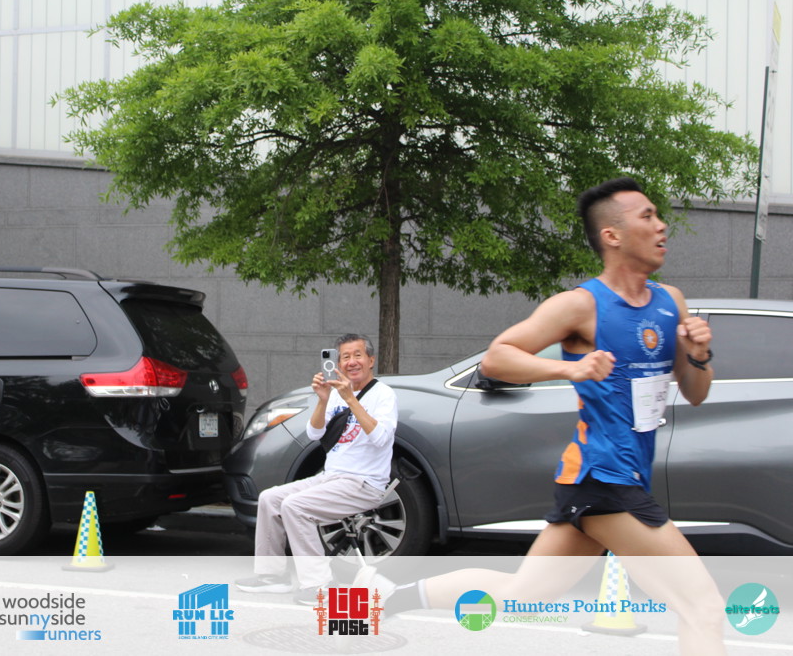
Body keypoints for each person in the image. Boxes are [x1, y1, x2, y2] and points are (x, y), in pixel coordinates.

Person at [359, 178, 725, 655]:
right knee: (703, 607)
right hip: (604, 477)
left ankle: (390, 596)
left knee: (523, 592)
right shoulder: (581, 305)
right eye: (648, 216)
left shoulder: (669, 302)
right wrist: (569, 368)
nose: (662, 226)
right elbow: (498, 358)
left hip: (611, 477)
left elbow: (695, 393)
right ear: (612, 235)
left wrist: (698, 355)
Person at [236, 333, 398, 605]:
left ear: (371, 360)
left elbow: (381, 438)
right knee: (269, 498)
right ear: (338, 363)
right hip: (330, 478)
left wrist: (351, 399)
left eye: (357, 355)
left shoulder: (384, 395)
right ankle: (272, 576)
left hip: (363, 483)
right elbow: (314, 433)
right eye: (345, 357)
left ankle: (320, 585)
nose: (351, 362)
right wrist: (323, 400)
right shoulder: (334, 394)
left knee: (295, 506)